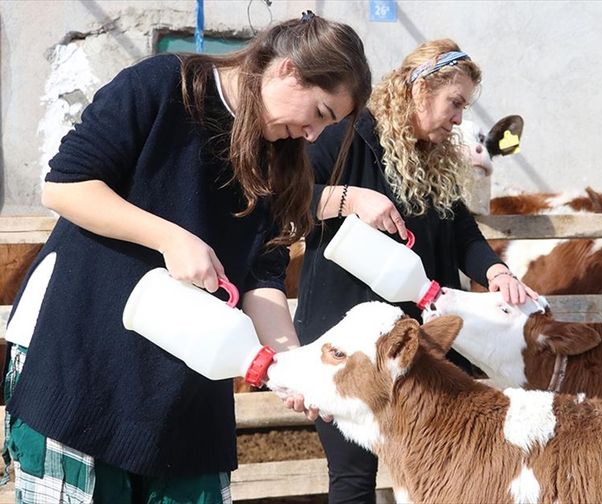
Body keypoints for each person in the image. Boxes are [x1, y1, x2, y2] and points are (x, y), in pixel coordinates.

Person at [1, 11, 371, 503]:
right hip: (87, 370)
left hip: (185, 402)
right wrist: (171, 238)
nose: (312, 136)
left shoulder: (281, 163)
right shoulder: (162, 87)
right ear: (286, 69)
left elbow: (264, 277)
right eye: (320, 113)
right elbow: (66, 186)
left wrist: (292, 365)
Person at [289, 39, 538, 503]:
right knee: (353, 477)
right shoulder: (345, 134)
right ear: (420, 89)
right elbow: (286, 197)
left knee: (440, 466)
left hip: (418, 347)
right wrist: (350, 199)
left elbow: (462, 233)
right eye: (455, 103)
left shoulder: (435, 158)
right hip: (349, 345)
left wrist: (497, 272)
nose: (460, 118)